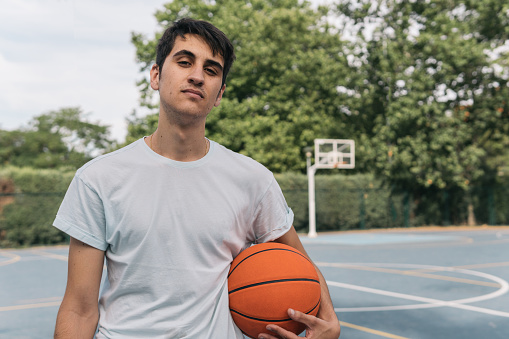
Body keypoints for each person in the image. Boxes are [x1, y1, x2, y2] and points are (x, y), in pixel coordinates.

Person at [53, 18, 341, 339]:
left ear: (219, 94)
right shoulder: (98, 179)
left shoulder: (252, 179)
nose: (196, 76)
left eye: (211, 70)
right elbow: (79, 307)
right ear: (156, 75)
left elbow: (300, 263)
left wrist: (329, 321)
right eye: (185, 61)